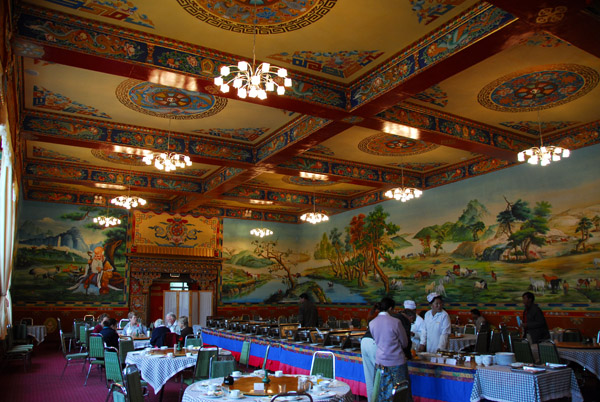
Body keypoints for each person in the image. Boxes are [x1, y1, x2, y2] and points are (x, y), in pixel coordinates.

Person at [369, 297, 412, 402]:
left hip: (380, 362)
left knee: (382, 392)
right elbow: (404, 343)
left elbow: (376, 340)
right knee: (400, 392)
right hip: (397, 362)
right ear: (390, 308)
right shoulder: (396, 322)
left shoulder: (372, 323)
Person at [360, 303, 380, 402]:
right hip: (373, 343)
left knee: (369, 378)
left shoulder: (372, 317)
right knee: (379, 375)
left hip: (364, 342)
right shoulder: (383, 318)